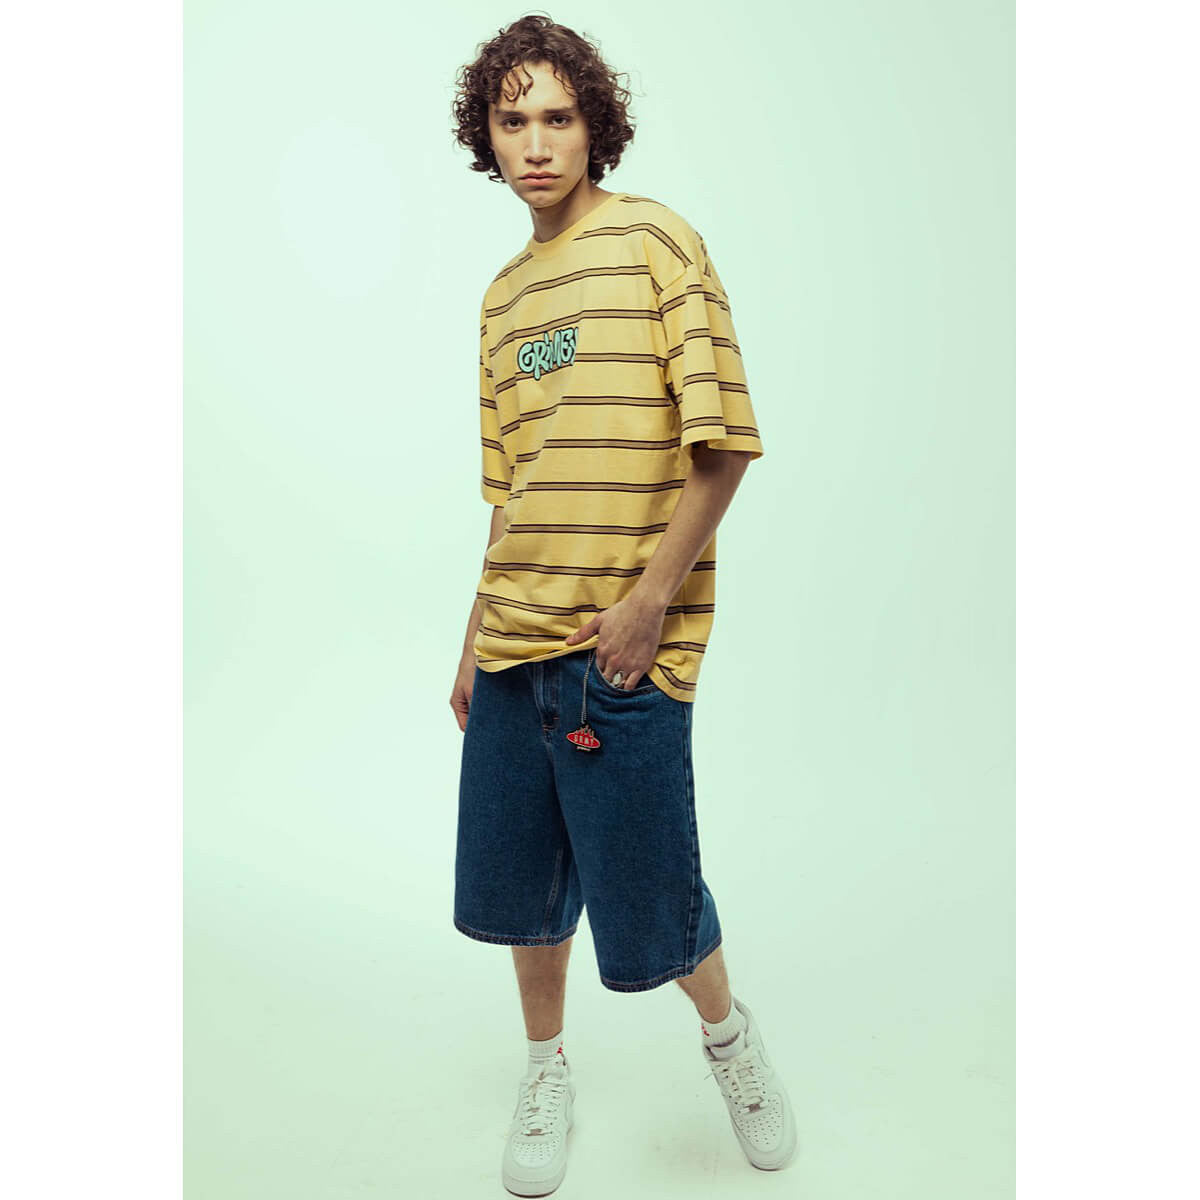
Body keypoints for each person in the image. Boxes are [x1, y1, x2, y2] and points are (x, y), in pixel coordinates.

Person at [449, 16, 797, 1195]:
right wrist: (471, 643)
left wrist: (650, 603)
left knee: (654, 899)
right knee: (523, 893)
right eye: (513, 121)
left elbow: (725, 443)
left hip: (622, 649)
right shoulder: (502, 300)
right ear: (487, 138)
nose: (537, 143)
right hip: (513, 646)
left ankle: (730, 1042)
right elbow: (509, 494)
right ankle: (545, 1071)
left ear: (595, 123)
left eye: (558, 117)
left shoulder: (656, 243)